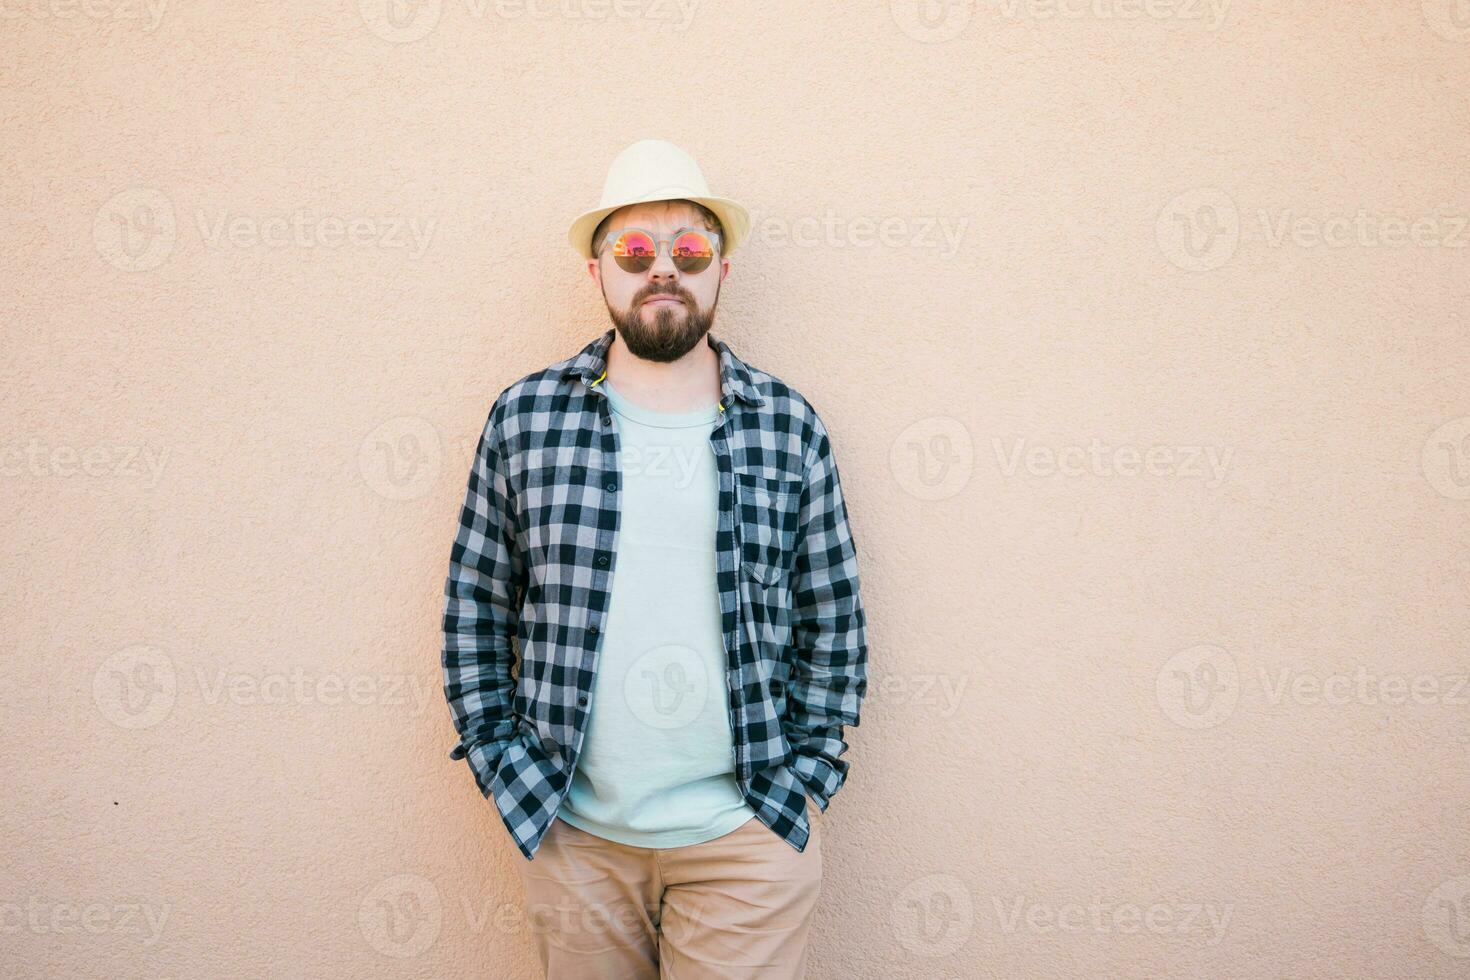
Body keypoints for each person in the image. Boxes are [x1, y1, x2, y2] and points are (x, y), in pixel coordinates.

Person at [441, 138, 869, 979]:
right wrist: (505, 765)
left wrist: (809, 777)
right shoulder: (526, 420)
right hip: (576, 841)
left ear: (722, 272)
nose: (662, 269)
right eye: (634, 251)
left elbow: (835, 620)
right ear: (596, 274)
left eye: (690, 250)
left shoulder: (787, 425)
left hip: (747, 843)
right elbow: (477, 606)